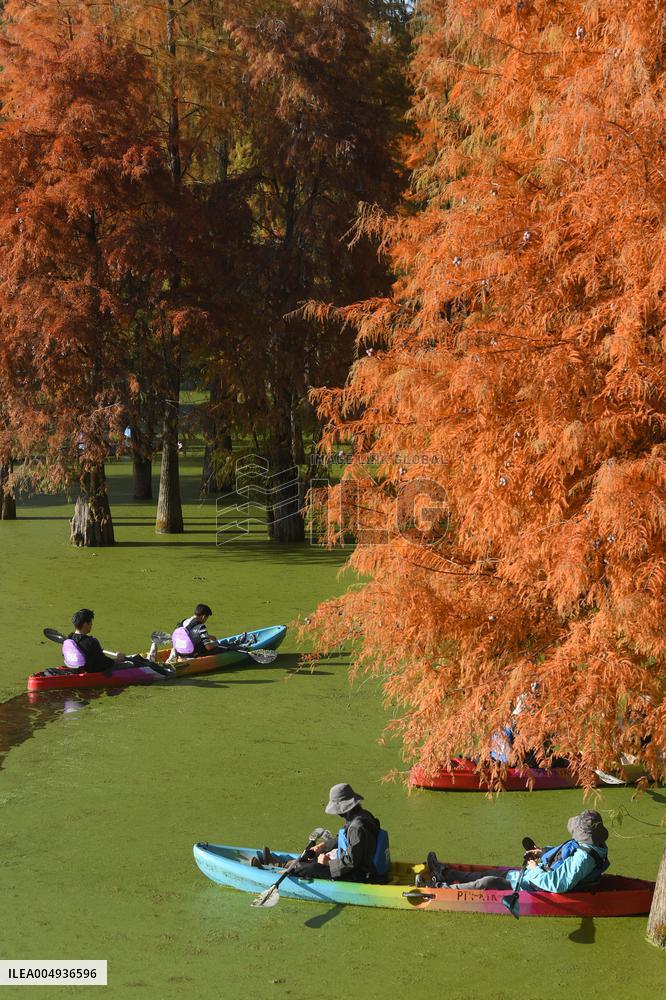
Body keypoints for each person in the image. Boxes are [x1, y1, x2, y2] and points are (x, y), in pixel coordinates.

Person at [421, 810, 609, 893]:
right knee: (491, 873)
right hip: (536, 875)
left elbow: (557, 884)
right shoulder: (589, 846)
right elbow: (566, 854)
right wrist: (543, 852)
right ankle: (444, 873)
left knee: (489, 881)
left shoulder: (584, 859)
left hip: (537, 887)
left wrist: (535, 868)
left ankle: (439, 890)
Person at [257, 783, 390, 884]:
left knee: (313, 868)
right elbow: (350, 840)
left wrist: (328, 864)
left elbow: (350, 862)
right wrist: (323, 846)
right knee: (318, 853)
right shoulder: (362, 816)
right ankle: (282, 864)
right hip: (362, 862)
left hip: (363, 874)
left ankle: (280, 874)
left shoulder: (357, 827)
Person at [66, 609, 128, 674]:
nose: (91, 624)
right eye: (90, 622)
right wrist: (118, 659)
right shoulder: (90, 642)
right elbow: (104, 663)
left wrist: (98, 651)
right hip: (93, 672)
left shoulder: (69, 639)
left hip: (77, 669)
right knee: (129, 665)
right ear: (85, 624)